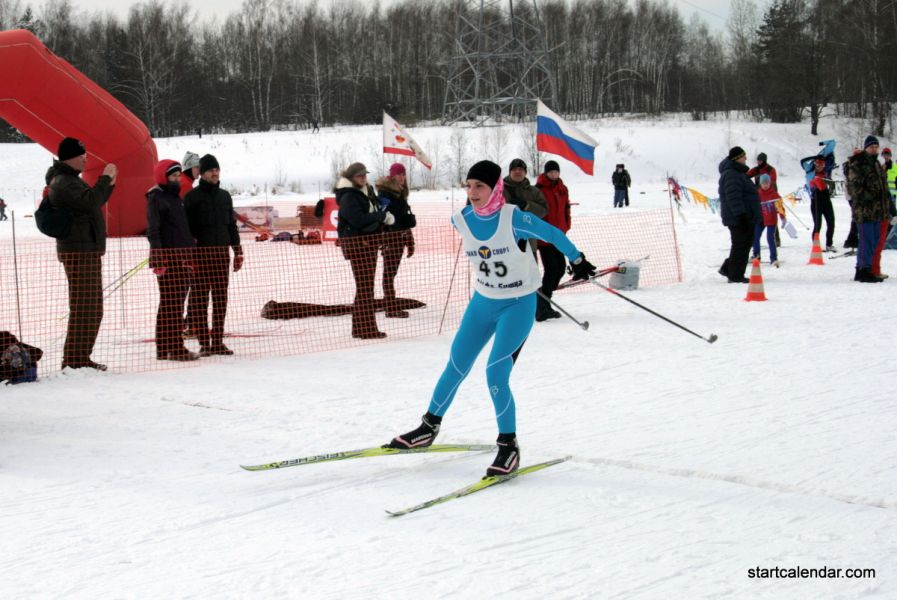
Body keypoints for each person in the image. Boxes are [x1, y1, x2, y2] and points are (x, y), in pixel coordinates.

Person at [384, 160, 597, 477]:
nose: (472, 192)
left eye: (479, 186)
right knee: (456, 364)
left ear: (495, 187)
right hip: (482, 303)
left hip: (517, 305)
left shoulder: (514, 218)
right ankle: (428, 428)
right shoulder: (461, 219)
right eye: (468, 185)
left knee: (495, 374)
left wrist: (577, 260)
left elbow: (552, 232)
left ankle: (509, 447)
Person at [47, 137, 116, 370]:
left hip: (86, 249)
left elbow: (94, 201)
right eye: (81, 155)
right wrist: (105, 178)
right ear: (69, 157)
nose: (86, 158)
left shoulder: (70, 180)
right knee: (85, 306)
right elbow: (91, 201)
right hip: (79, 251)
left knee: (91, 306)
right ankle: (74, 360)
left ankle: (79, 358)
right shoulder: (64, 182)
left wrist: (110, 183)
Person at [184, 154, 244, 354]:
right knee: (201, 300)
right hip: (201, 257)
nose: (215, 173)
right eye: (211, 170)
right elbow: (187, 230)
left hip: (221, 256)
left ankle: (217, 341)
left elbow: (231, 226)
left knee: (220, 299)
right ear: (202, 173)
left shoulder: (225, 196)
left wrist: (238, 251)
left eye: (217, 169)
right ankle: (204, 343)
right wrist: (189, 257)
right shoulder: (192, 198)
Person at [146, 159, 199, 361]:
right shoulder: (157, 198)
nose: (177, 179)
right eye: (173, 176)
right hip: (168, 259)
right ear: (163, 177)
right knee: (172, 303)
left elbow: (181, 227)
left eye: (178, 176)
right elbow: (153, 230)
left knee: (173, 303)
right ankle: (174, 347)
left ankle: (166, 346)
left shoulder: (175, 198)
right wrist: (159, 257)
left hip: (181, 257)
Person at [335, 162, 395, 339]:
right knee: (365, 288)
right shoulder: (348, 196)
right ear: (351, 178)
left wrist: (379, 210)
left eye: (364, 175)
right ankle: (366, 329)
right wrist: (381, 216)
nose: (363, 178)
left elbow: (368, 215)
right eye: (359, 176)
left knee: (366, 288)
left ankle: (362, 328)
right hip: (358, 246)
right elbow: (358, 220)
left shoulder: (365, 192)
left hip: (368, 244)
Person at [846, 135, 891, 283]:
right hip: (864, 211)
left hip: (877, 211)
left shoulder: (876, 164)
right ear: (866, 148)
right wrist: (872, 195)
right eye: (871, 147)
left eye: (876, 147)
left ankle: (869, 268)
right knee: (866, 241)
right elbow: (854, 187)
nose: (874, 149)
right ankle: (862, 270)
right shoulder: (858, 163)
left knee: (873, 242)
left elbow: (883, 187)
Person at [376, 163, 416, 318]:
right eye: (399, 174)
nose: (402, 177)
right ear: (392, 175)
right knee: (389, 274)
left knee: (391, 273)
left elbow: (403, 218)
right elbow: (387, 219)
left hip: (399, 238)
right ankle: (390, 307)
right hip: (390, 238)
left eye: (404, 174)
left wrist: (409, 241)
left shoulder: (400, 193)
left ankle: (390, 305)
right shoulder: (385, 194)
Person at [534, 159, 571, 321]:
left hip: (559, 236)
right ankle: (542, 306)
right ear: (546, 173)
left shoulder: (563, 188)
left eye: (556, 172)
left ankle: (543, 299)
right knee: (551, 270)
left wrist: (566, 225)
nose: (554, 174)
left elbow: (566, 208)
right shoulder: (538, 189)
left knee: (561, 268)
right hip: (544, 238)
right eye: (551, 172)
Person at [717, 146, 760, 283]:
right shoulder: (731, 174)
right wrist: (741, 215)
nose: (746, 159)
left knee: (744, 243)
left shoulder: (737, 173)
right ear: (737, 159)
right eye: (743, 156)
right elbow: (733, 197)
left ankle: (729, 269)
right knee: (740, 244)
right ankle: (735, 275)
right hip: (738, 217)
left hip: (743, 216)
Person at [503, 159, 548, 254]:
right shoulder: (499, 191)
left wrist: (527, 205)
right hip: (505, 245)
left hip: (529, 243)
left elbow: (544, 211)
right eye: (514, 169)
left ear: (525, 172)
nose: (518, 171)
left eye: (521, 169)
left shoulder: (534, 191)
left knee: (531, 268)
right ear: (510, 172)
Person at [747, 152, 780, 246]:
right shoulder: (755, 169)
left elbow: (772, 180)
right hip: (759, 196)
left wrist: (761, 179)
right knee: (759, 218)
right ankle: (756, 240)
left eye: (760, 161)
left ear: (764, 160)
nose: (758, 162)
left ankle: (776, 239)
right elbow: (747, 175)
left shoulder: (771, 169)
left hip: (770, 196)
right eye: (757, 160)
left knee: (771, 218)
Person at [751, 174, 784, 267]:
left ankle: (774, 258)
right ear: (760, 184)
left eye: (767, 183)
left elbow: (780, 208)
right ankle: (756, 255)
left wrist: (783, 217)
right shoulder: (758, 193)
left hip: (771, 220)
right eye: (763, 183)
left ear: (770, 183)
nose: (765, 185)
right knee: (755, 236)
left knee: (770, 238)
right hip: (761, 219)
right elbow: (754, 206)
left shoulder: (774, 194)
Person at [809, 157, 836, 252]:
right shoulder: (811, 175)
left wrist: (828, 182)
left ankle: (829, 244)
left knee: (831, 223)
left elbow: (831, 186)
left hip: (827, 202)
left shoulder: (826, 173)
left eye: (822, 165)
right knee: (817, 225)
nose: (820, 167)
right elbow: (820, 187)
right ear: (815, 165)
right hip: (816, 203)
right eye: (818, 165)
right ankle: (816, 246)